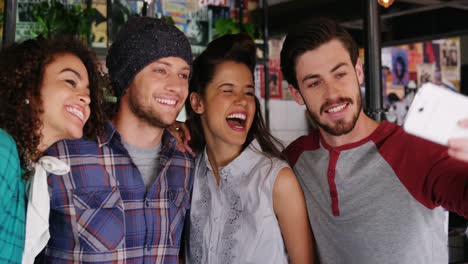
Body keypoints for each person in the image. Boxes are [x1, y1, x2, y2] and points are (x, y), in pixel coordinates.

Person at [280, 17, 468, 264]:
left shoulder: (415, 149)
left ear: (358, 72)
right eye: (314, 83)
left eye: (340, 74)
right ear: (297, 94)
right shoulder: (295, 160)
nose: (332, 93)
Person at [39, 17, 194, 263]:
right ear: (127, 78)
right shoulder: (63, 154)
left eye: (184, 75)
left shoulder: (185, 164)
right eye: (160, 70)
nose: (176, 85)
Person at [185, 33, 313, 263]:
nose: (242, 101)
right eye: (227, 90)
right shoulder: (188, 172)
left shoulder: (276, 180)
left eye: (248, 92)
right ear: (197, 102)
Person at [0, 37, 105, 263]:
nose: (86, 98)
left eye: (88, 91)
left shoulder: (26, 169)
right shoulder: (3, 150)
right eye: (70, 81)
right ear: (28, 84)